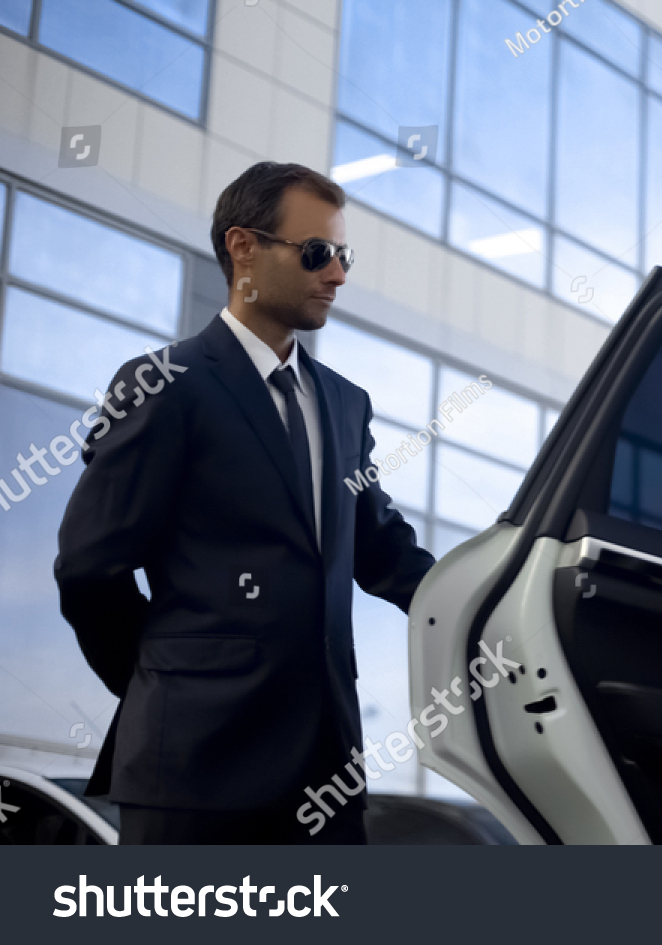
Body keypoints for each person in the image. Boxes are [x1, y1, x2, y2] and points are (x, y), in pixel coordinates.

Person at [54, 162, 436, 844]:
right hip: (195, 770)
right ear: (243, 248)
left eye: (343, 256)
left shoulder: (346, 405)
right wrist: (163, 686)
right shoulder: (164, 385)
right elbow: (90, 569)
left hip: (326, 775)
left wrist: (500, 593)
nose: (338, 275)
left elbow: (383, 551)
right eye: (318, 253)